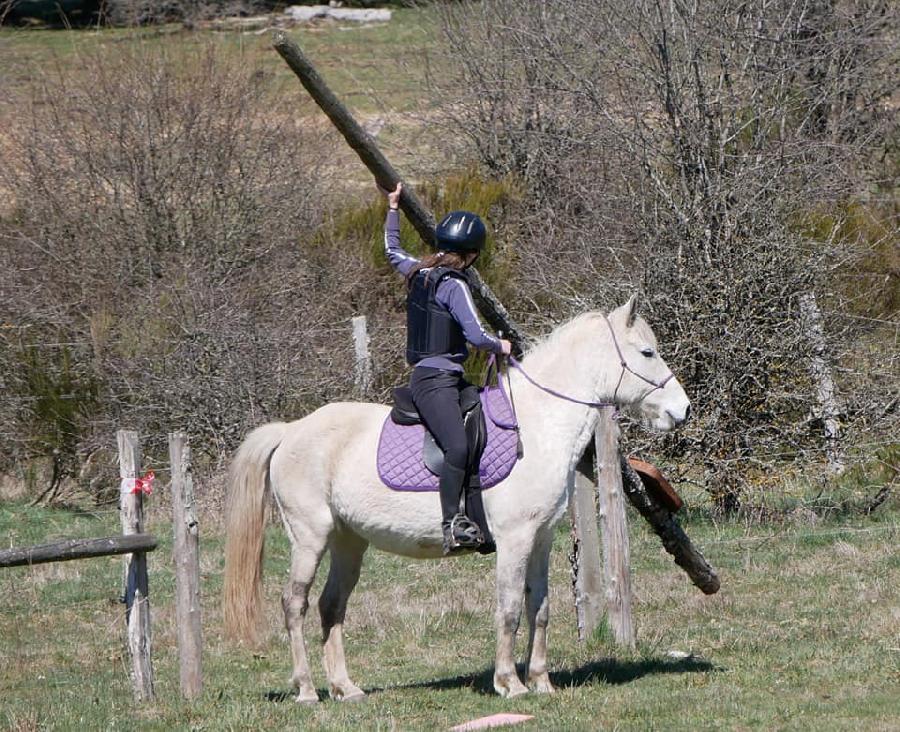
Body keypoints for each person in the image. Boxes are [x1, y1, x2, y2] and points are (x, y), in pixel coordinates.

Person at [382, 182, 512, 555]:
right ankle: (452, 525)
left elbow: (392, 250)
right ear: (471, 256)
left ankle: (480, 523)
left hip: (446, 379)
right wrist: (500, 345)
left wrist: (393, 208)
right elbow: (476, 334)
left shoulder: (417, 271)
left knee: (476, 435)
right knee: (457, 446)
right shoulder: (455, 284)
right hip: (435, 382)